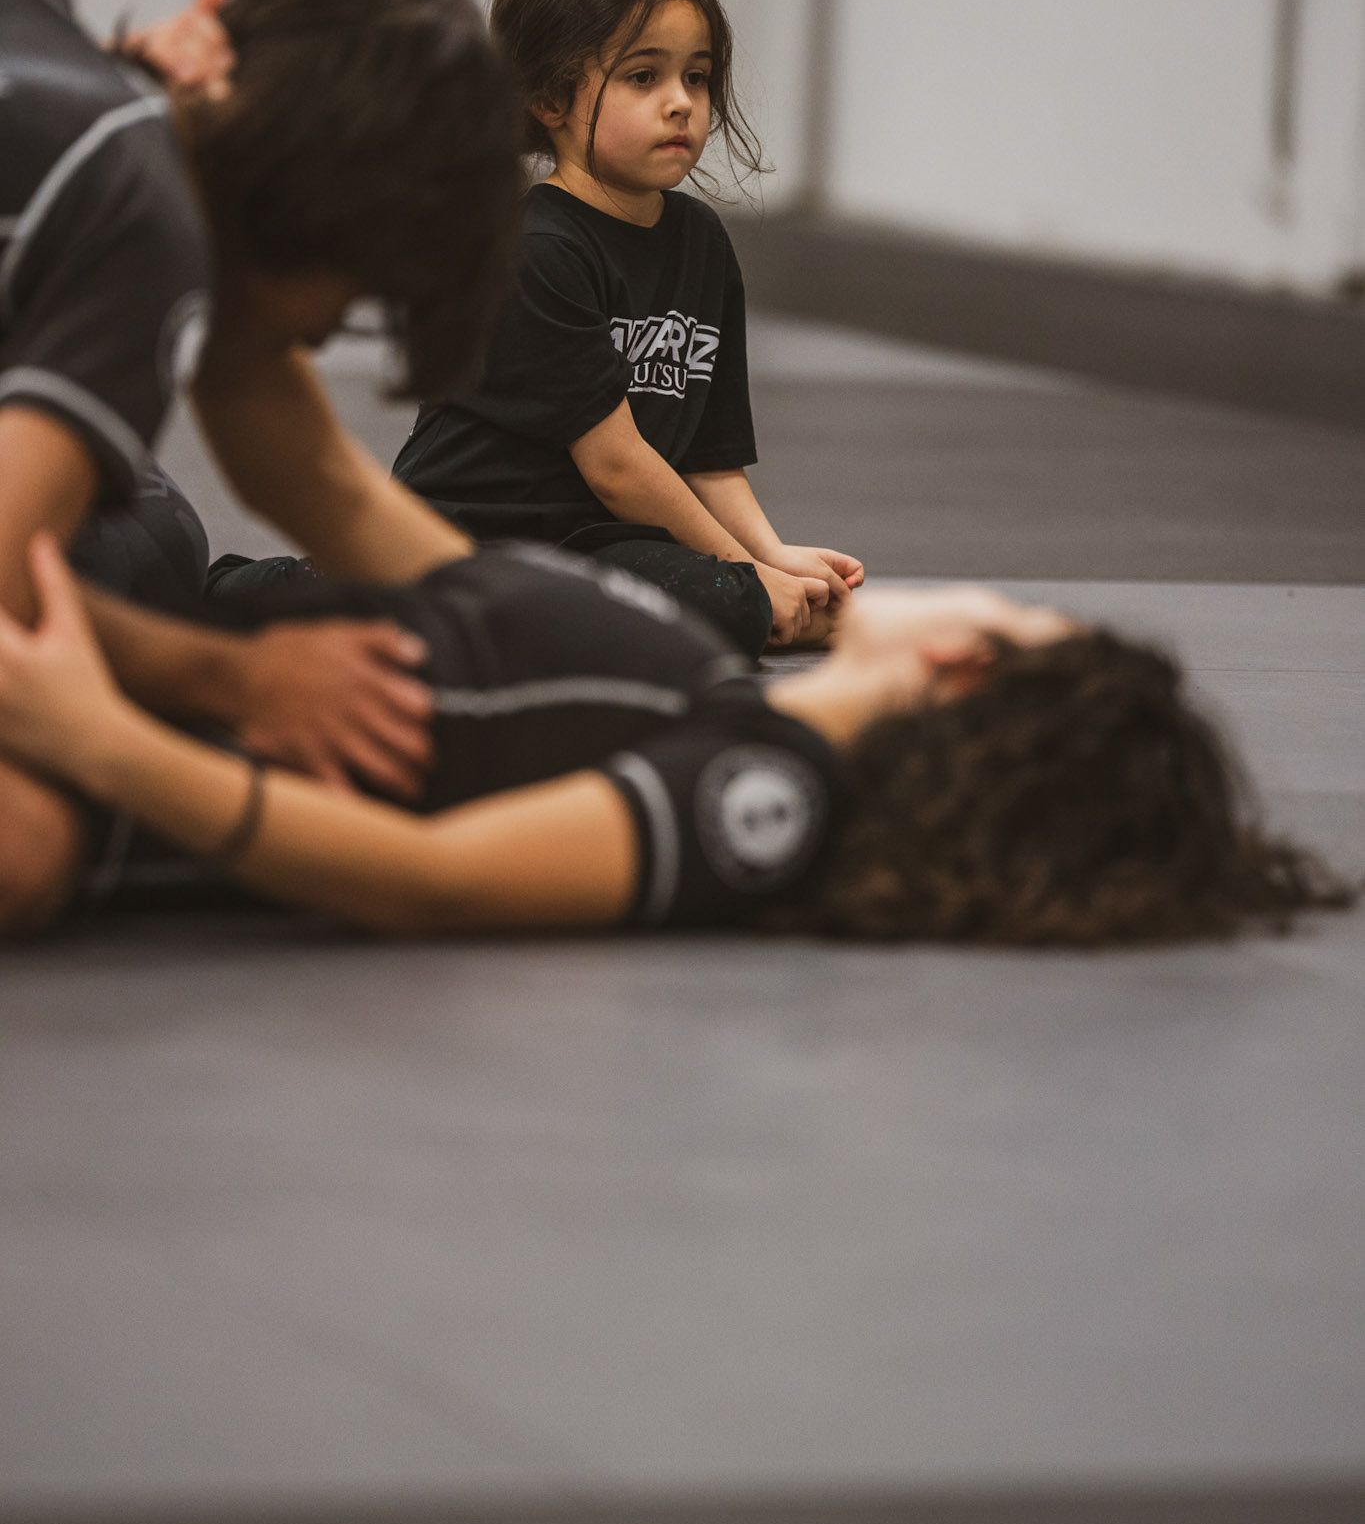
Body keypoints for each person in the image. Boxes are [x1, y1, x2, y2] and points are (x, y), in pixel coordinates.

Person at [0, 532, 1349, 947]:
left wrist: (100, 739)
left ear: (963, 665)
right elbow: (377, 528)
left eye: (1011, 606)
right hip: (161, 665)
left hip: (91, 771)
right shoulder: (723, 695)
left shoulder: (767, 794)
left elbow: (439, 880)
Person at [0, 0, 522, 928]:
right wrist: (237, 681)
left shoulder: (41, 16)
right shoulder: (144, 216)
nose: (320, 339)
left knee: (147, 533)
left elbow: (312, 471)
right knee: (26, 837)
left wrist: (523, 636)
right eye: (357, 297)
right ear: (319, 217)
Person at [393, 0, 865, 659]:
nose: (681, 104)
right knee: (719, 599)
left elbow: (708, 456)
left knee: (732, 595)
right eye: (643, 77)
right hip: (475, 539)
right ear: (550, 97)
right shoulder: (538, 249)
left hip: (604, 543)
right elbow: (616, 466)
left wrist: (769, 556)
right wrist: (747, 578)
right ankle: (285, 587)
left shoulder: (701, 242)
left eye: (697, 78)